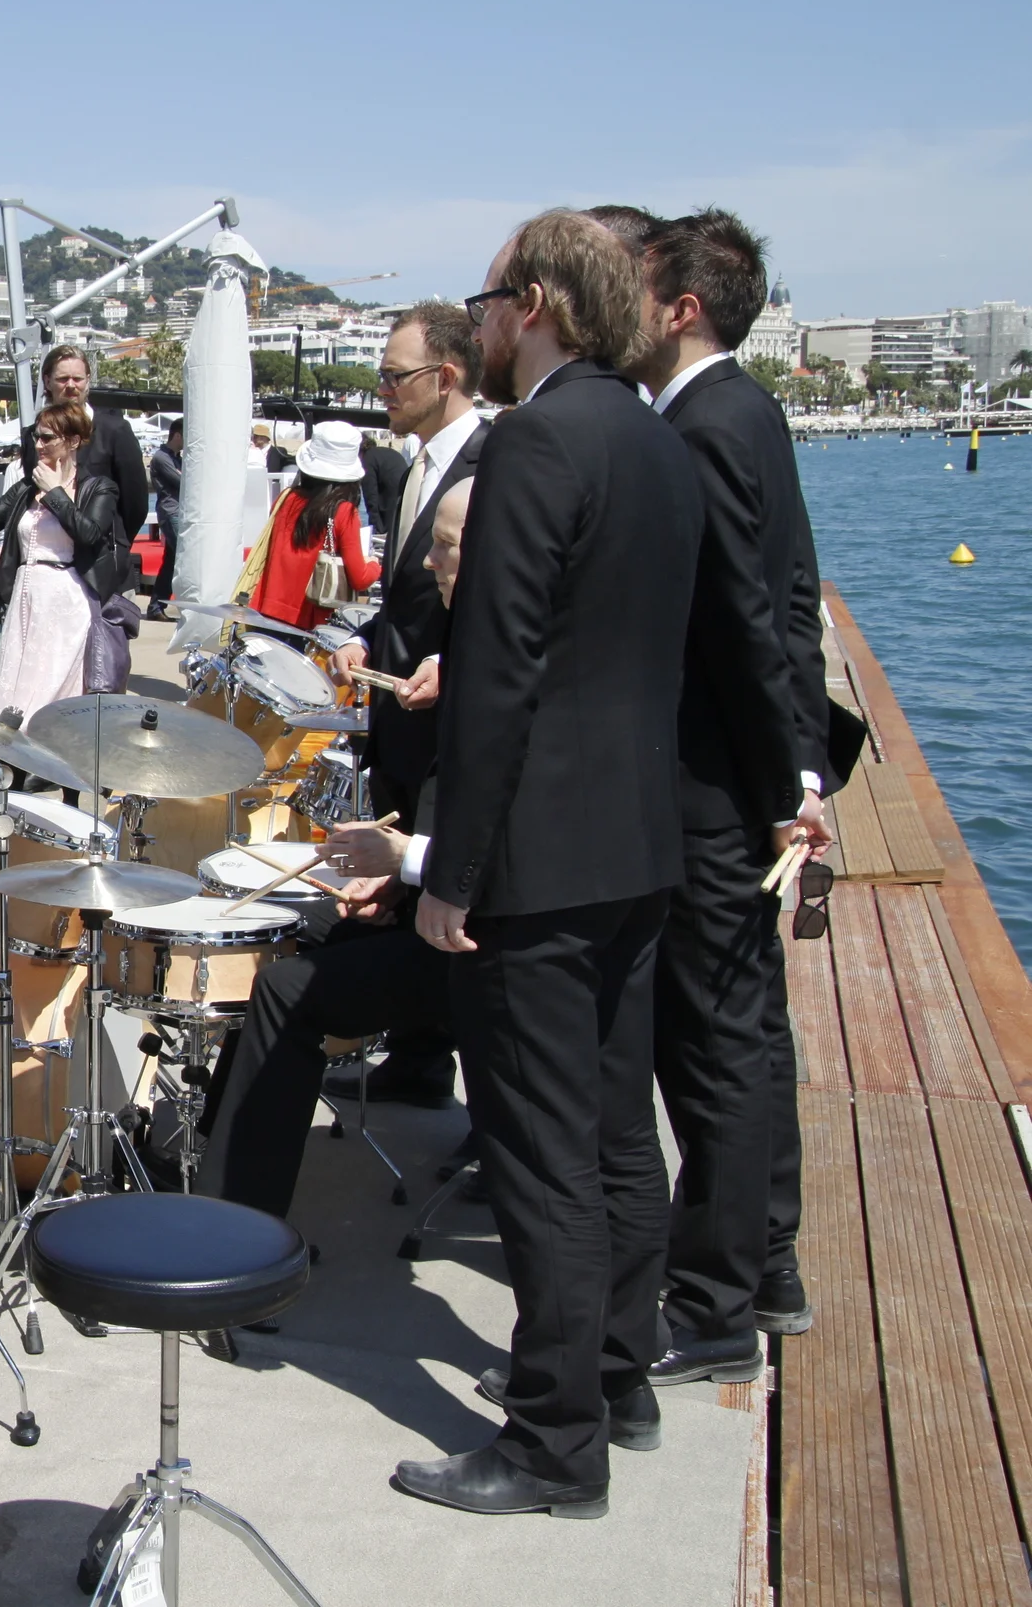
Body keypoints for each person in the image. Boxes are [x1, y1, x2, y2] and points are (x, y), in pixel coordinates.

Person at [393, 211, 703, 1520]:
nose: (485, 330)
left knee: (541, 1153)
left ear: (537, 305)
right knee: (620, 1130)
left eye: (492, 305)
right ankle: (617, 1378)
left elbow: (500, 672)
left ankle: (550, 1437)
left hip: (539, 857)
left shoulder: (536, 442)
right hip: (641, 841)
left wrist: (449, 870)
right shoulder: (655, 438)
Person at [627, 209, 833, 1369]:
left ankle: (711, 1308)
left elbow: (743, 625)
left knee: (710, 1046)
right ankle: (762, 1262)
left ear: (680, 306)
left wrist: (779, 782)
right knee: (747, 1036)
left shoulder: (703, 425)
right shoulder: (744, 410)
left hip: (712, 788)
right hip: (739, 777)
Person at [194, 478, 476, 1221]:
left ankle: (236, 1233)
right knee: (285, 933)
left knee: (291, 991)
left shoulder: (495, 665)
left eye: (444, 549)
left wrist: (404, 859)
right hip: (437, 895)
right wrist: (396, 878)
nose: (426, 565)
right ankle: (208, 1154)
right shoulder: (479, 642)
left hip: (488, 942)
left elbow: (498, 834)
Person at [327, 304, 489, 1108]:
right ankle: (418, 1057)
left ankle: (448, 1061)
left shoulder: (491, 463)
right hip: (397, 721)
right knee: (399, 903)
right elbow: (407, 591)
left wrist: (448, 662)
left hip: (447, 731)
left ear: (445, 378)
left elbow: (506, 609)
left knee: (441, 911)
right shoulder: (413, 463)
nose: (381, 388)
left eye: (395, 375)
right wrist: (367, 634)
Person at [0, 401, 125, 729]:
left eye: (47, 438)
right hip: (26, 595)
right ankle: (16, 757)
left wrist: (55, 492)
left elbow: (89, 534)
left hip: (66, 594)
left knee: (52, 680)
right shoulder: (27, 487)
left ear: (74, 441)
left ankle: (47, 751)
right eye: (36, 437)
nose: (38, 445)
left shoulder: (99, 487)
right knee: (19, 676)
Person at [246, 421, 380, 632]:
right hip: (311, 623)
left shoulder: (285, 498)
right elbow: (360, 577)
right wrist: (374, 564)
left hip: (266, 611)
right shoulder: (344, 511)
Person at [41, 344, 149, 549]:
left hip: (100, 558)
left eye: (78, 379)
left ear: (88, 382)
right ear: (47, 382)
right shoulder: (34, 436)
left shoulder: (115, 431)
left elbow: (136, 504)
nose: (71, 385)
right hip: (48, 555)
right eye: (63, 379)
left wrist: (114, 546)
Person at [143, 416, 183, 620]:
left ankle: (156, 605)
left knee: (172, 560)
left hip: (178, 512)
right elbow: (182, 480)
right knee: (182, 556)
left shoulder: (177, 458)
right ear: (177, 435)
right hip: (170, 512)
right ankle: (160, 604)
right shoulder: (161, 457)